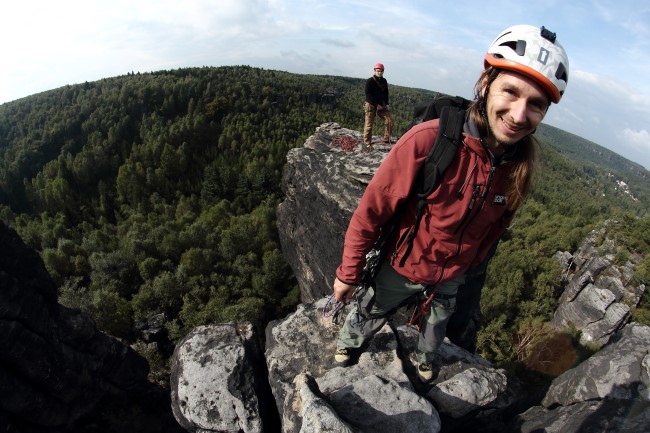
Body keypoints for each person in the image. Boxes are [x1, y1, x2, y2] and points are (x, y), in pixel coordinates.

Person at [332, 25, 569, 382]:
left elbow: (494, 228)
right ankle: (349, 346)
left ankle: (426, 360)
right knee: (370, 309)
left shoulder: (517, 169)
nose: (520, 115)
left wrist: (465, 267)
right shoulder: (430, 141)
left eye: (536, 104)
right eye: (511, 92)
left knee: (436, 328)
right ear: (486, 83)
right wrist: (349, 273)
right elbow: (372, 211)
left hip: (451, 275)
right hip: (405, 264)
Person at [363, 63, 394, 150]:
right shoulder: (370, 81)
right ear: (374, 71)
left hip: (381, 105)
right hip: (371, 105)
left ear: (383, 71)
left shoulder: (384, 81)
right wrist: (376, 105)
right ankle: (367, 142)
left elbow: (385, 93)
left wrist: (387, 104)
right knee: (369, 125)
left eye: (381, 71)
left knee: (389, 120)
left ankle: (386, 139)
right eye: (378, 71)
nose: (379, 73)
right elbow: (368, 95)